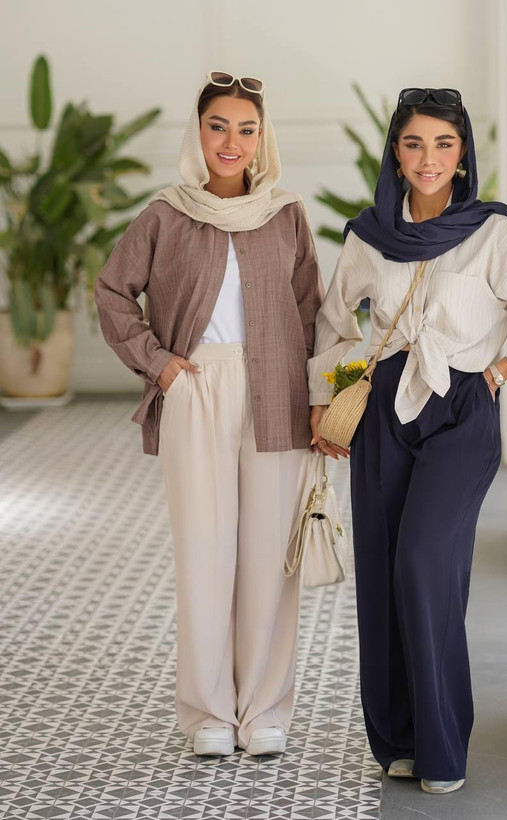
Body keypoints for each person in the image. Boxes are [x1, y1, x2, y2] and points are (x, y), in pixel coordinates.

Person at [307, 87, 507, 794]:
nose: (429, 158)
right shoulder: (369, 235)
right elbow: (333, 320)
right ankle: (397, 738)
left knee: (424, 564)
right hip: (383, 408)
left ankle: (442, 747)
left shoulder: (494, 234)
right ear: (396, 151)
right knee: (383, 567)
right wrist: (329, 396)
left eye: (444, 144)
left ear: (462, 154)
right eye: (414, 143)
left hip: (460, 407)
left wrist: (501, 371)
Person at [95, 72, 323, 758]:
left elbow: (311, 311)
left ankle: (264, 710)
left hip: (278, 390)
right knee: (204, 551)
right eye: (218, 126)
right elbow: (112, 291)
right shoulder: (166, 214)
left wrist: (318, 400)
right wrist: (158, 363)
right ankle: (208, 714)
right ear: (198, 132)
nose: (232, 141)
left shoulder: (286, 213)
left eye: (246, 129)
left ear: (262, 138)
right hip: (197, 386)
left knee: (269, 558)